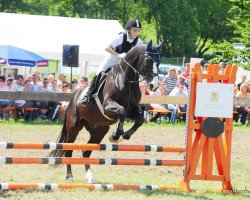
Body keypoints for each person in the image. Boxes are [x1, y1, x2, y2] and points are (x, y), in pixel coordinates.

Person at [80, 18, 143, 105]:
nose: (136, 32)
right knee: (99, 72)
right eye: (134, 30)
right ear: (129, 29)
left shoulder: (138, 41)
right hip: (113, 58)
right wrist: (118, 55)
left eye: (138, 31)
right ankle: (88, 95)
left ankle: (134, 101)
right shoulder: (121, 37)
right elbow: (107, 48)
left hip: (125, 63)